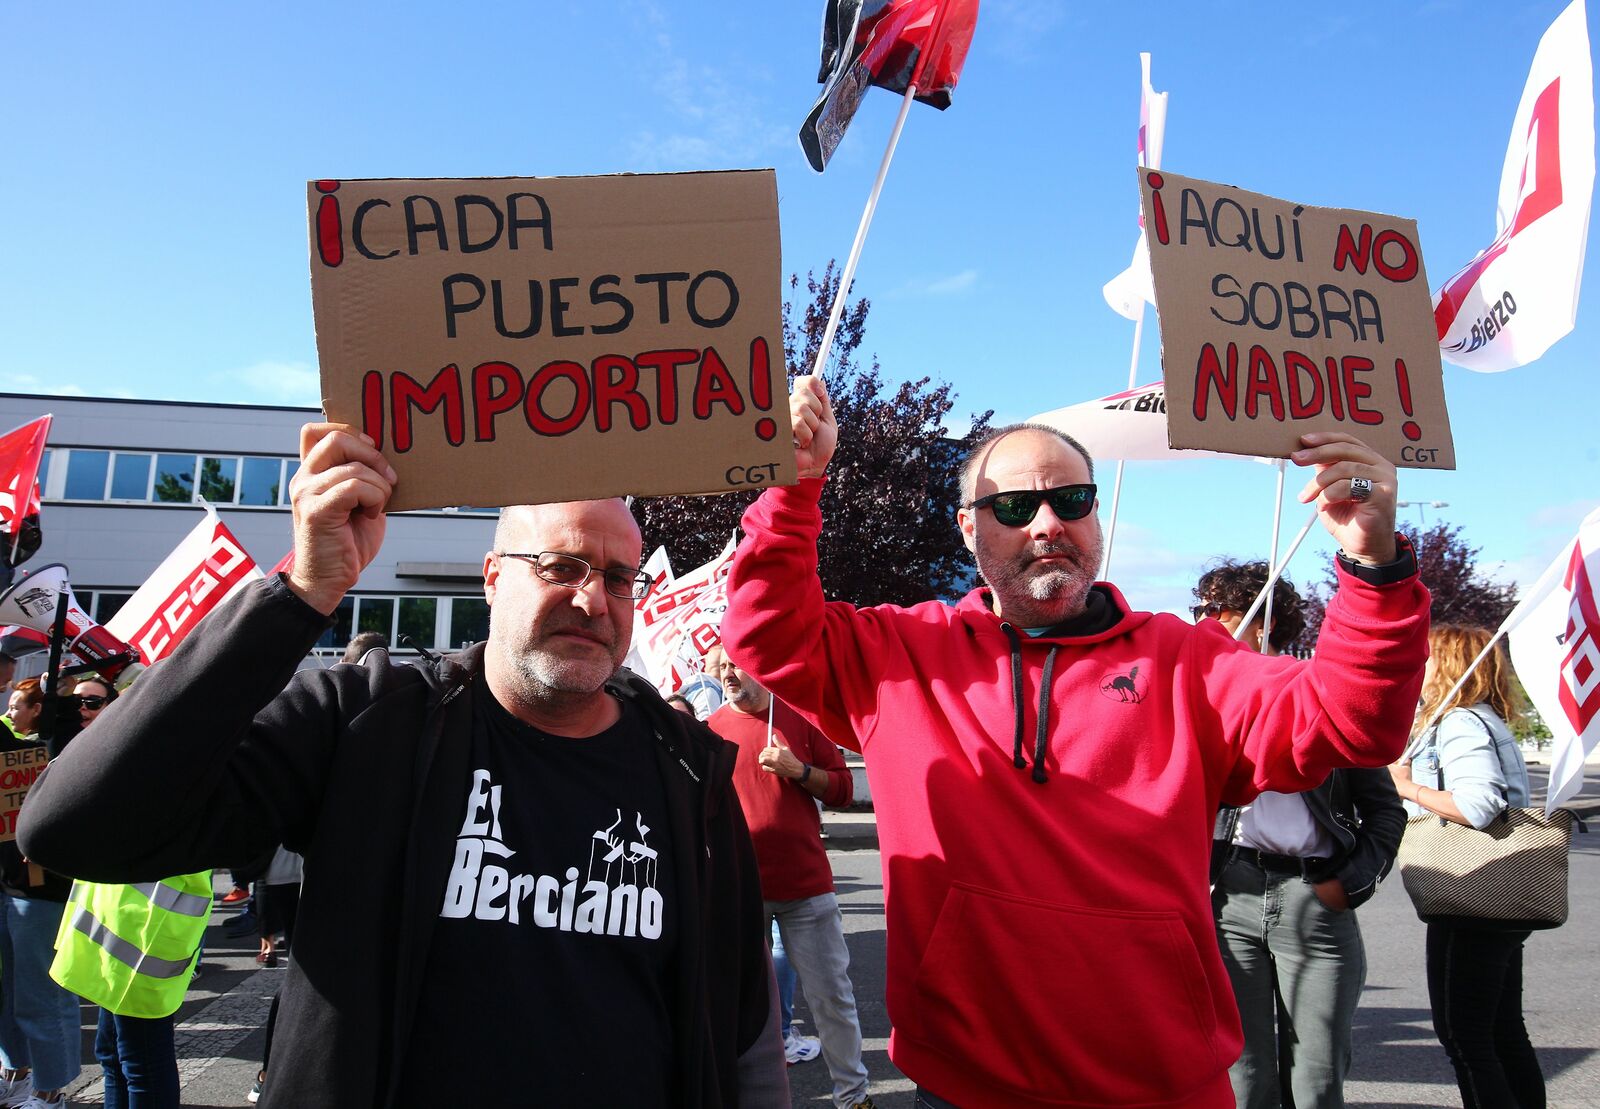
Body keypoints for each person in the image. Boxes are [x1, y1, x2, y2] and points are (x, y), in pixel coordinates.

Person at [19, 422, 785, 1108]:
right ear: (492, 577)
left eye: (620, 577)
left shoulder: (688, 772)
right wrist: (300, 595)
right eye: (562, 565)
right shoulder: (368, 722)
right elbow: (73, 825)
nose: (595, 599)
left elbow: (745, 1025)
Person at [720, 375, 1431, 1109]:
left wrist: (1374, 568)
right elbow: (766, 632)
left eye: (1072, 499)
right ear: (969, 529)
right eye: (1016, 506)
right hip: (963, 1086)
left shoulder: (1188, 661)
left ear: (1098, 514)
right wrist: (794, 485)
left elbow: (1355, 720)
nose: (1048, 522)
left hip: (1164, 1088)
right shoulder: (902, 653)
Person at [1199, 561, 1405, 1109]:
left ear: (1262, 622)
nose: (1205, 621)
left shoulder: (1320, 694)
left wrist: (1349, 882)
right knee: (1242, 1075)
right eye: (1200, 609)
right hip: (1228, 897)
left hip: (1313, 899)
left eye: (1218, 610)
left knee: (1315, 1079)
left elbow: (1385, 812)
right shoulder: (1204, 697)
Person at [705, 648, 872, 1108]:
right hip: (740, 891)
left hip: (806, 889)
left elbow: (843, 789)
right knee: (736, 1004)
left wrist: (798, 770)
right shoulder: (709, 732)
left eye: (735, 664)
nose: (727, 673)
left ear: (760, 667)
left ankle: (853, 1097)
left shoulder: (801, 719)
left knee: (832, 998)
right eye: (720, 666)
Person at [1390, 625, 1544, 1109]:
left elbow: (1477, 806)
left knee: (1465, 1036)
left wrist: (1405, 787)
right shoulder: (1486, 719)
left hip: (1472, 890)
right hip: (1502, 891)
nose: (1418, 666)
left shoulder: (1458, 722)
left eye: (1426, 658)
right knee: (1501, 1028)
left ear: (1449, 665)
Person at [49, 675, 208, 1109]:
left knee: (140, 1062)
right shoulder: (159, 755)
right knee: (116, 1056)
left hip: (145, 939)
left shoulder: (169, 762)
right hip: (124, 934)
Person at [0, 677, 82, 1107]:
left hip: (44, 889)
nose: (10, 713)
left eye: (18, 706)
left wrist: (64, 707)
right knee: (11, 991)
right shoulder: (12, 746)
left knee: (41, 993)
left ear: (40, 711)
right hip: (10, 884)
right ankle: (15, 1073)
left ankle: (50, 1092)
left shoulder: (64, 747)